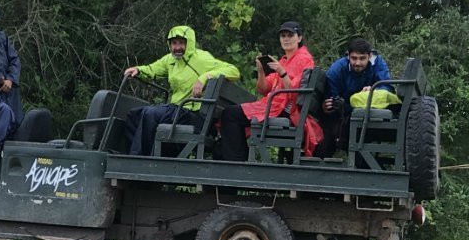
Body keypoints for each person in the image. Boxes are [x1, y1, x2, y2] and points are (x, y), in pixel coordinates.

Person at [123, 25, 240, 156]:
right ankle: (130, 156)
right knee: (133, 115)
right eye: (174, 43)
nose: (177, 47)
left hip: (193, 114)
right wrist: (138, 70)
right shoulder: (170, 60)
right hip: (176, 110)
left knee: (150, 113)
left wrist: (204, 77)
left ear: (189, 43)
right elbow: (153, 68)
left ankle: (141, 158)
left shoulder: (201, 58)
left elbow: (233, 71)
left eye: (181, 43)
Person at [217, 21, 321, 161]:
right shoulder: (284, 60)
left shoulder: (304, 59)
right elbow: (263, 89)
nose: (286, 39)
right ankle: (237, 160)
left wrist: (282, 72)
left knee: (230, 114)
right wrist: (261, 71)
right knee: (230, 115)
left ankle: (236, 162)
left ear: (299, 38)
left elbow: (294, 93)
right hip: (273, 106)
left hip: (286, 110)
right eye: (283, 36)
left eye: (290, 35)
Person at [321, 38, 392, 153]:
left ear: (369, 56)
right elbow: (331, 98)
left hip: (370, 112)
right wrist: (330, 104)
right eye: (354, 58)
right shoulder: (336, 70)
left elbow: (388, 87)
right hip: (344, 113)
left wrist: (374, 90)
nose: (358, 63)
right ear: (348, 56)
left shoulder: (377, 63)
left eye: (362, 58)